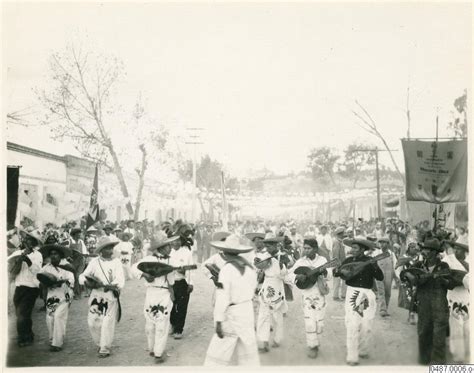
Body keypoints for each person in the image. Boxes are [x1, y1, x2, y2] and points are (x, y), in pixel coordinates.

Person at [204, 234, 259, 366]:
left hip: (232, 313)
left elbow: (223, 297)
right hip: (246, 311)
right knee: (248, 351)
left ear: (225, 252)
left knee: (218, 351)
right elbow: (253, 289)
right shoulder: (250, 268)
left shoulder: (227, 269)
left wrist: (218, 320)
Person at [333, 238, 384, 366]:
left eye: (355, 248)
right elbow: (336, 272)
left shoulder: (370, 261)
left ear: (363, 250)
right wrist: (339, 271)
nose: (352, 250)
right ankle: (352, 356)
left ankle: (363, 350)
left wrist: (375, 266)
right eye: (353, 247)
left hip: (367, 294)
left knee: (366, 324)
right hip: (353, 293)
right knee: (352, 324)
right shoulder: (348, 261)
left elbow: (380, 277)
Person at [406, 238, 456, 365]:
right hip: (424, 305)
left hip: (440, 305)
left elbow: (451, 284)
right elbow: (406, 276)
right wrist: (412, 278)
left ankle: (438, 364)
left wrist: (443, 281)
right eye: (424, 249)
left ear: (434, 252)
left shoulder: (443, 266)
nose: (424, 251)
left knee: (439, 338)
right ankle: (424, 363)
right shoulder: (418, 265)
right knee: (423, 334)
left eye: (427, 249)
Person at [132, 236, 179, 363]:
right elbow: (134, 268)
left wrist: (172, 293)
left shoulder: (171, 260)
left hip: (164, 293)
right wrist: (144, 274)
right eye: (168, 246)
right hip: (151, 292)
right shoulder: (148, 259)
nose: (170, 248)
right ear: (161, 248)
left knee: (162, 322)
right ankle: (151, 348)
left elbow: (171, 280)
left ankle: (159, 353)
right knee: (150, 322)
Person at [79, 236, 125, 358]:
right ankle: (100, 343)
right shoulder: (94, 262)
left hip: (110, 295)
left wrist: (109, 286)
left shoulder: (117, 262)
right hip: (96, 295)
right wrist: (88, 283)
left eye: (111, 248)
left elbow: (120, 281)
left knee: (107, 322)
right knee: (92, 322)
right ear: (101, 250)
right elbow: (82, 276)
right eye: (107, 248)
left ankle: (105, 347)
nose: (110, 251)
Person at [288, 238, 329, 359]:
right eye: (304, 248)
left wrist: (325, 272)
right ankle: (312, 346)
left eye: (308, 248)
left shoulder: (322, 260)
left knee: (319, 321)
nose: (305, 250)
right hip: (307, 293)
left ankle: (317, 343)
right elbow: (289, 274)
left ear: (315, 249)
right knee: (309, 320)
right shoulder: (301, 261)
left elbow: (330, 275)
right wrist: (297, 276)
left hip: (319, 293)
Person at [8, 228, 44, 347]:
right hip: (19, 287)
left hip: (31, 288)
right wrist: (19, 259)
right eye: (27, 239)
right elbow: (10, 265)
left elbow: (37, 271)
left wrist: (27, 260)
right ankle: (28, 334)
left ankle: (23, 337)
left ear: (34, 243)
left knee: (22, 313)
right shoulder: (19, 252)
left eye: (30, 240)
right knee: (22, 314)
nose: (27, 241)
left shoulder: (38, 255)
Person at [38, 243, 75, 351]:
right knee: (50, 317)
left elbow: (72, 280)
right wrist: (47, 283)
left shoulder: (67, 266)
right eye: (51, 254)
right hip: (51, 295)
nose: (53, 256)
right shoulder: (46, 268)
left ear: (60, 255)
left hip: (65, 294)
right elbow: (40, 280)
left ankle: (57, 343)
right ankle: (53, 339)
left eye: (56, 254)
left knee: (59, 316)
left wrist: (61, 282)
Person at [254, 250, 287, 353]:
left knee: (277, 315)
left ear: (276, 246)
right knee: (263, 316)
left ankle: (277, 338)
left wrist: (282, 265)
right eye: (268, 245)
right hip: (266, 287)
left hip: (277, 288)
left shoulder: (281, 258)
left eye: (272, 245)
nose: (269, 247)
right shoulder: (264, 256)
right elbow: (258, 269)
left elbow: (285, 275)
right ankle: (264, 343)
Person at [442, 241, 470, 363]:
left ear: (465, 252)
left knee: (468, 327)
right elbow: (448, 276)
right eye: (455, 249)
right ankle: (458, 354)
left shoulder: (469, 264)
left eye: (459, 249)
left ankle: (468, 352)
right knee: (456, 326)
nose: (456, 251)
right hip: (454, 296)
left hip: (466, 297)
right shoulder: (450, 262)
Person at [169, 234, 194, 340]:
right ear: (170, 242)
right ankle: (173, 324)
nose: (176, 243)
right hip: (170, 283)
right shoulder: (167, 252)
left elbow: (191, 269)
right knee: (170, 306)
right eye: (173, 241)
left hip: (182, 282)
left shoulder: (187, 253)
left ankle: (179, 330)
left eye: (178, 240)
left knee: (182, 306)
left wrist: (191, 283)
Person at [375, 237, 397, 317]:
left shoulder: (391, 254)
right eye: (380, 243)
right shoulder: (376, 253)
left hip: (389, 274)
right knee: (381, 292)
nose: (382, 244)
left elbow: (395, 265)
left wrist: (396, 277)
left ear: (388, 244)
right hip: (378, 274)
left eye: (384, 242)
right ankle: (382, 309)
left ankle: (385, 308)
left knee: (388, 292)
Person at [332, 227, 347, 301]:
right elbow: (336, 254)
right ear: (340, 234)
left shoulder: (340, 241)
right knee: (337, 280)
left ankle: (343, 295)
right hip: (338, 263)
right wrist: (337, 264)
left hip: (342, 263)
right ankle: (335, 296)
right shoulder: (336, 242)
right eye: (342, 233)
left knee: (343, 279)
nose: (343, 235)